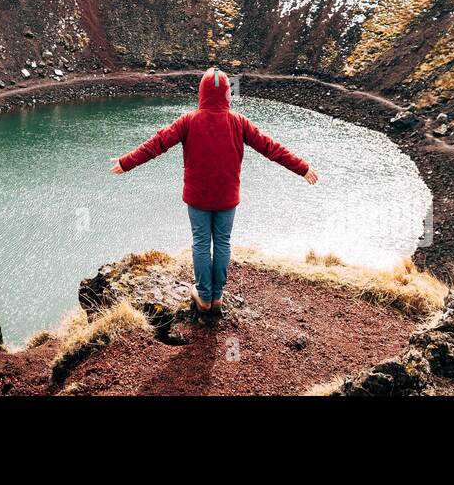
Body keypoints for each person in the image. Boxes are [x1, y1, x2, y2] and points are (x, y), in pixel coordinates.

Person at [110, 68, 318, 317]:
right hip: (227, 198)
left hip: (197, 197)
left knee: (200, 242)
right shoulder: (239, 122)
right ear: (227, 95)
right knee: (222, 242)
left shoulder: (188, 121)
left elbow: (158, 144)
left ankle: (204, 295)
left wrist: (126, 162)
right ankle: (217, 296)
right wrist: (303, 168)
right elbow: (271, 148)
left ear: (202, 93)